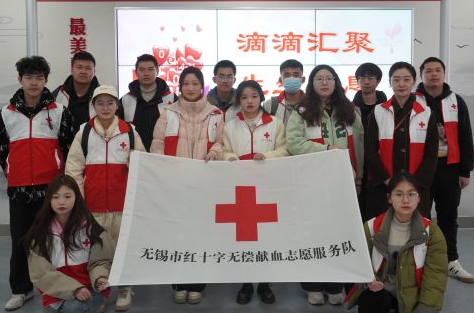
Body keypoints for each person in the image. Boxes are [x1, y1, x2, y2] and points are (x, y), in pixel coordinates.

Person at [0, 56, 75, 311]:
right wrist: (13, 172)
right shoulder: (6, 113)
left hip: (51, 189)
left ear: (46, 81)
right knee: (21, 241)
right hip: (19, 188)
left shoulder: (59, 111)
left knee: (54, 241)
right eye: (28, 77)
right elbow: (1, 149)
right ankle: (21, 289)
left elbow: (69, 147)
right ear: (20, 79)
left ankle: (57, 289)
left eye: (39, 77)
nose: (34, 82)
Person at [285, 64, 364, 306]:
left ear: (336, 82)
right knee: (313, 233)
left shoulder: (349, 111)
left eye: (329, 78)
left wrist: (359, 175)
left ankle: (335, 285)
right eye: (319, 78)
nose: (324, 82)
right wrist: (327, 150)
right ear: (311, 83)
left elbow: (360, 144)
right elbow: (294, 143)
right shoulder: (301, 111)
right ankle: (312, 285)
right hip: (312, 182)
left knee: (339, 233)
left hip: (343, 182)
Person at [65, 85, 145, 311]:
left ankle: (124, 288)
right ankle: (100, 292)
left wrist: (134, 160)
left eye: (110, 103)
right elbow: (73, 169)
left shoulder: (129, 132)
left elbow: (142, 165)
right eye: (100, 103)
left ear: (117, 105)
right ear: (94, 106)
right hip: (94, 206)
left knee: (123, 248)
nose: (105, 107)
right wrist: (79, 202)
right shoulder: (84, 132)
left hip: (122, 205)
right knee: (96, 251)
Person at [151, 66, 224, 304]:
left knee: (201, 233)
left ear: (202, 86)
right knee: (177, 233)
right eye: (186, 83)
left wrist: (215, 152)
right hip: (176, 184)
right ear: (180, 86)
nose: (190, 88)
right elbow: (157, 144)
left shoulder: (216, 114)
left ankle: (197, 284)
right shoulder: (168, 113)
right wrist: (164, 172)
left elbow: (221, 142)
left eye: (195, 83)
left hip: (205, 184)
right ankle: (179, 282)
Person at [222, 80, 289, 305]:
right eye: (244, 97)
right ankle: (245, 283)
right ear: (238, 101)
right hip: (240, 189)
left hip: (268, 188)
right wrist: (231, 158)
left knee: (267, 237)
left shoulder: (275, 123)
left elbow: (285, 150)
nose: (249, 101)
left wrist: (267, 157)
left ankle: (265, 284)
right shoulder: (230, 126)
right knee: (243, 239)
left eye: (253, 96)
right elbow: (224, 151)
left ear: (260, 97)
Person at [346, 171, 448, 313]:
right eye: (399, 194)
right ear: (389, 198)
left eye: (411, 194)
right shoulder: (371, 227)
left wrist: (425, 309)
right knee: (372, 299)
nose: (405, 200)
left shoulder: (432, 233)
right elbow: (358, 264)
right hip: (380, 292)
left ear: (419, 198)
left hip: (412, 297)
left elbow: (435, 276)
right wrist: (368, 282)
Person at [416, 57, 474, 283]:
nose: (433, 74)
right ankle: (419, 262)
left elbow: (465, 136)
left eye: (438, 70)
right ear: (421, 75)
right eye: (428, 71)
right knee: (419, 217)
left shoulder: (456, 101)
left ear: (444, 73)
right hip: (421, 169)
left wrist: (465, 171)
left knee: (448, 217)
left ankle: (451, 261)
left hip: (449, 168)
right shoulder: (413, 100)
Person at [24, 175, 114, 313]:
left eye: (67, 196)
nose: (61, 202)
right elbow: (40, 274)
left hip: (89, 289)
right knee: (68, 308)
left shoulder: (91, 229)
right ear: (49, 200)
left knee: (75, 308)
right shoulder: (40, 234)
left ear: (76, 197)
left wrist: (99, 278)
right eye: (55, 197)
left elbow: (101, 261)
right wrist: (74, 289)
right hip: (56, 293)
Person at [365, 62, 438, 220]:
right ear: (390, 82)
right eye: (396, 80)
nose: (401, 84)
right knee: (383, 227)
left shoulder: (426, 113)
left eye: (406, 79)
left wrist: (415, 184)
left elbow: (432, 153)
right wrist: (387, 180)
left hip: (417, 187)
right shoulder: (378, 112)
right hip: (384, 186)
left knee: (417, 228)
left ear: (414, 81)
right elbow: (370, 150)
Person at [118, 54, 177, 150]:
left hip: (163, 154)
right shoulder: (125, 100)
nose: (146, 73)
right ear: (136, 72)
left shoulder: (172, 98)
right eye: (141, 70)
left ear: (157, 71)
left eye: (150, 69)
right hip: (134, 153)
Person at [352, 63, 388, 219]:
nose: (366, 82)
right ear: (357, 81)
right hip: (359, 160)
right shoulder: (350, 108)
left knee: (379, 203)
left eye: (371, 78)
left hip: (381, 160)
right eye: (362, 78)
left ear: (378, 81)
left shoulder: (387, 107)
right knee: (358, 203)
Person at [52, 51, 100, 131]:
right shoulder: (57, 95)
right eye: (79, 67)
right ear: (71, 69)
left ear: (94, 71)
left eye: (88, 68)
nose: (83, 71)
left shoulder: (102, 95)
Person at [263, 59, 305, 126]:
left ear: (303, 79)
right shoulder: (269, 105)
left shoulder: (312, 104)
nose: (291, 78)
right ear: (280, 80)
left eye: (296, 75)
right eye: (287, 75)